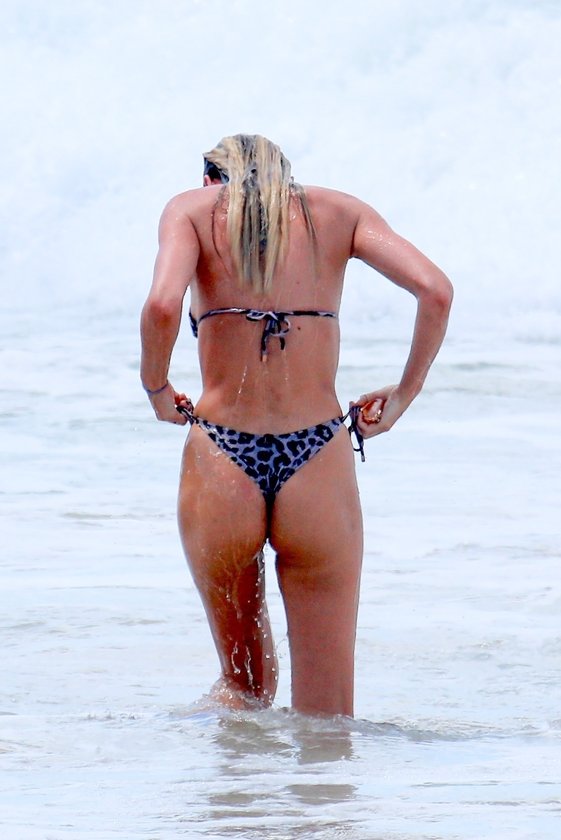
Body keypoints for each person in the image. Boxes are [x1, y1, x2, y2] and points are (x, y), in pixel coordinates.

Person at [140, 134, 453, 718]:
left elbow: (161, 305)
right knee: (328, 718)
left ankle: (205, 776)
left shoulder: (191, 210)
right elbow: (435, 290)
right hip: (317, 456)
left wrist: (157, 389)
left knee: (244, 690)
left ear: (211, 180)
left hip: (222, 453)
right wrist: (402, 395)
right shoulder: (340, 212)